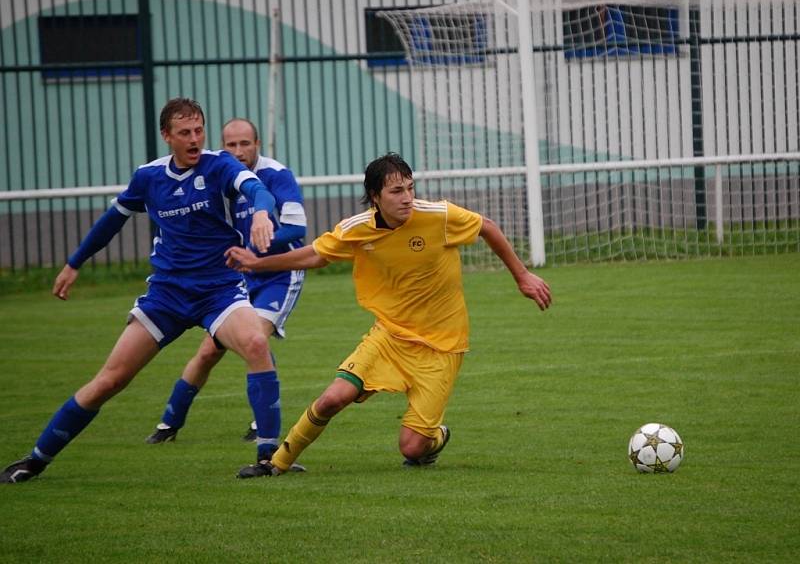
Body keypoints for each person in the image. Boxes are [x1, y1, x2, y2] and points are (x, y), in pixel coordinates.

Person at [0, 98, 282, 484]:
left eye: (199, 130)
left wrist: (263, 212)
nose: (195, 139)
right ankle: (35, 460)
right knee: (110, 380)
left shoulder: (220, 165)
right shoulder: (149, 177)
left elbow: (257, 190)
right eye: (185, 133)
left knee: (255, 343)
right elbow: (111, 222)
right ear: (167, 136)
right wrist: (73, 263)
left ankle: (268, 458)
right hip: (166, 296)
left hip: (218, 291)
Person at [225, 152, 552, 479]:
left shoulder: (438, 215)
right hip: (390, 337)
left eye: (410, 188)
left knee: (412, 448)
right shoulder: (358, 229)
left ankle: (437, 436)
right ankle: (276, 463)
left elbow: (487, 227)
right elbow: (314, 255)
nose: (407, 198)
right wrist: (257, 264)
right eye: (397, 191)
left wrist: (522, 276)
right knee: (332, 399)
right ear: (375, 197)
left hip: (442, 347)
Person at [145, 118, 307, 463]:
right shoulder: (216, 173)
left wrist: (258, 244)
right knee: (208, 351)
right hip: (237, 275)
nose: (238, 151)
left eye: (245, 144)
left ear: (258, 143)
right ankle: (169, 423)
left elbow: (297, 227)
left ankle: (261, 426)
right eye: (230, 145)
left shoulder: (276, 174)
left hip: (278, 273)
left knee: (255, 339)